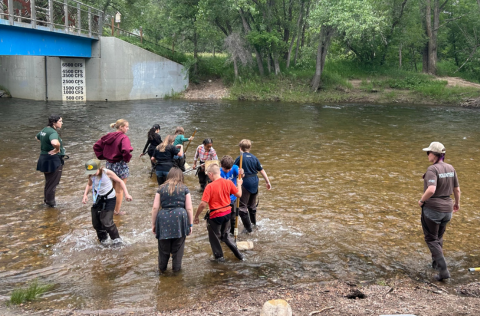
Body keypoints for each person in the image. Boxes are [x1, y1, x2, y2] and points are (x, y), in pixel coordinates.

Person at [419, 141, 460, 281]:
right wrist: (457, 203)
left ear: (434, 154)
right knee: (438, 237)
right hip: (447, 209)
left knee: (431, 238)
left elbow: (431, 189)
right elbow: (457, 189)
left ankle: (443, 271)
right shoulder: (450, 167)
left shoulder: (432, 169)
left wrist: (422, 201)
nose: (427, 155)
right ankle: (436, 265)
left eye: (428, 152)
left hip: (433, 209)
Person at [193, 164, 244, 261]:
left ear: (211, 174)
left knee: (215, 237)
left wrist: (196, 216)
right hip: (227, 213)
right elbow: (239, 194)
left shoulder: (209, 186)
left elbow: (203, 204)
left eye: (208, 175)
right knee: (226, 236)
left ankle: (219, 258)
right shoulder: (228, 182)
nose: (208, 177)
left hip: (216, 215)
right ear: (219, 172)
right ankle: (239, 255)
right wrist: (239, 184)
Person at [151, 167, 193, 272]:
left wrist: (153, 224)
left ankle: (162, 270)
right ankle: (176, 271)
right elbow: (189, 208)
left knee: (163, 249)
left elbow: (155, 207)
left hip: (163, 218)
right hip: (180, 218)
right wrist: (190, 224)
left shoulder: (161, 188)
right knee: (178, 248)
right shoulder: (184, 188)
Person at [82, 159, 133, 243]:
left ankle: (117, 241)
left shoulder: (107, 172)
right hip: (98, 198)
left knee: (106, 222)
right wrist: (85, 195)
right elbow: (89, 184)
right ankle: (103, 240)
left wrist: (127, 194)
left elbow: (120, 181)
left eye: (94, 171)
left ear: (99, 168)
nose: (93, 174)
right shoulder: (91, 175)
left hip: (109, 199)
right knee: (96, 223)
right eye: (91, 172)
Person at [93, 119, 133, 215]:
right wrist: (126, 159)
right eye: (126, 127)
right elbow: (127, 150)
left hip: (109, 164)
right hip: (120, 165)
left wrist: (103, 156)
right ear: (121, 127)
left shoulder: (108, 136)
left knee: (111, 188)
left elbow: (96, 146)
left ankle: (108, 209)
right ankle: (116, 212)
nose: (128, 128)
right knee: (119, 190)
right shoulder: (124, 138)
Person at [234, 139, 271, 233]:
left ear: (240, 148)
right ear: (249, 148)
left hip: (245, 182)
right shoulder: (254, 158)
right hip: (255, 182)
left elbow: (233, 170)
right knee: (252, 205)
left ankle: (248, 229)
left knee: (242, 207)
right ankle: (254, 224)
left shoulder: (240, 158)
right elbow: (261, 170)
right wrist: (268, 182)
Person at [36, 115, 66, 207]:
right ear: (54, 123)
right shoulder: (53, 132)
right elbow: (54, 142)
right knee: (53, 183)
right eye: (60, 121)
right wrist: (57, 149)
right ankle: (51, 204)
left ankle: (47, 201)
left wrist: (46, 144)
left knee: (49, 182)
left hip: (44, 158)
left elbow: (37, 138)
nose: (62, 123)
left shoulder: (44, 130)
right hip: (53, 160)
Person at [220, 155, 241, 235]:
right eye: (226, 169)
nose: (228, 170)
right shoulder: (219, 173)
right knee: (225, 218)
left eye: (229, 169)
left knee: (233, 217)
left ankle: (233, 233)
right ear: (221, 165)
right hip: (223, 199)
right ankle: (224, 234)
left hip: (233, 198)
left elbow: (241, 176)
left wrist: (241, 173)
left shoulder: (235, 168)